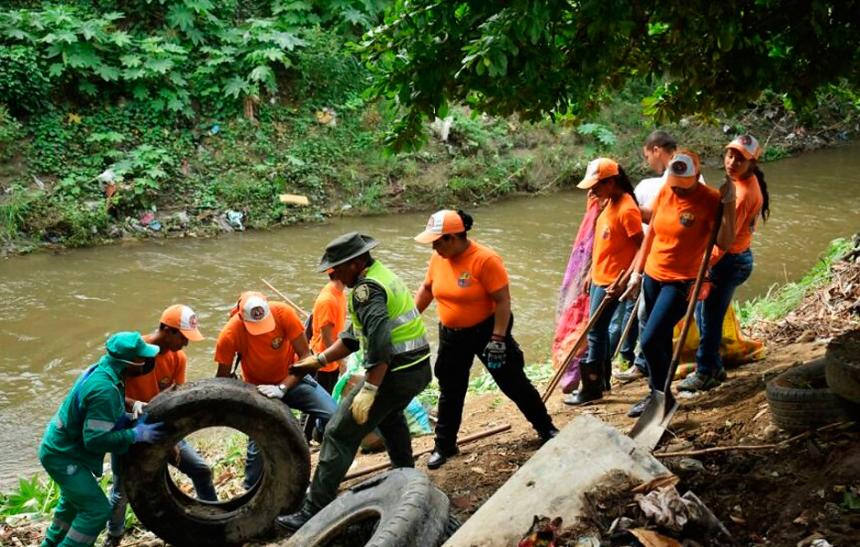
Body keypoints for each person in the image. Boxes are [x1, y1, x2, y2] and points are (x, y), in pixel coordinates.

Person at [275, 232, 432, 532]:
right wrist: (319, 360)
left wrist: (370, 389)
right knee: (390, 417)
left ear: (357, 262)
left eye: (338, 266)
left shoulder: (366, 290)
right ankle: (406, 476)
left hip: (395, 373)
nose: (334, 273)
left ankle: (312, 510)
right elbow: (352, 336)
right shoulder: (380, 275)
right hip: (417, 368)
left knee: (339, 432)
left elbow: (379, 342)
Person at [413, 210, 558, 469]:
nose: (433, 247)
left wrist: (498, 339)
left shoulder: (485, 260)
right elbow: (426, 289)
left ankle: (545, 428)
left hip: (487, 331)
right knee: (451, 390)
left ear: (454, 238)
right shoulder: (438, 258)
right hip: (451, 335)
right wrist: (411, 317)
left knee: (513, 382)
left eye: (437, 242)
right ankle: (445, 445)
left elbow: (503, 301)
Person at [623, 150, 736, 418]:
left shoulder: (711, 200)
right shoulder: (665, 191)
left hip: (682, 281)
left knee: (649, 340)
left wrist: (729, 206)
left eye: (684, 185)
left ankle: (661, 395)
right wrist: (637, 272)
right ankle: (659, 395)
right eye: (675, 184)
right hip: (653, 274)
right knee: (658, 339)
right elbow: (652, 229)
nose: (679, 191)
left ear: (697, 175)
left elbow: (724, 243)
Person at [39, 332, 166, 547]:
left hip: (65, 447)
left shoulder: (106, 374)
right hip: (62, 455)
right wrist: (135, 435)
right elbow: (96, 440)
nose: (146, 362)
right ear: (128, 363)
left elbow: (102, 418)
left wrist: (132, 415)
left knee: (70, 508)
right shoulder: (104, 389)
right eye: (142, 358)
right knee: (96, 511)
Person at [104, 305, 213, 547]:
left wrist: (171, 440)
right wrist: (138, 408)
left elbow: (176, 402)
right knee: (122, 490)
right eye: (183, 337)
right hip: (129, 429)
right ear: (166, 329)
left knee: (200, 470)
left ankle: (217, 520)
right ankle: (113, 536)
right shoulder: (132, 350)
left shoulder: (178, 358)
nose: (186, 343)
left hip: (161, 428)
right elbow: (108, 393)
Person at [214, 291, 336, 490]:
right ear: (241, 317)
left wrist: (282, 387)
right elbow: (221, 381)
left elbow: (306, 357)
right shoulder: (230, 334)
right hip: (258, 390)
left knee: (334, 416)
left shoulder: (283, 314)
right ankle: (251, 493)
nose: (261, 332)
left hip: (294, 379)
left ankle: (325, 474)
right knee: (258, 444)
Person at [680, 135, 769, 392]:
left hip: (728, 260)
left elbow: (726, 241)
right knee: (705, 313)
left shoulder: (741, 194)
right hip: (737, 257)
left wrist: (702, 267)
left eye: (739, 159)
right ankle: (713, 365)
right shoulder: (745, 182)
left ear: (752, 163)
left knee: (709, 317)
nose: (732, 162)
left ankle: (706, 371)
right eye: (730, 155)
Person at [564, 159, 643, 405]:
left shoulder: (627, 209)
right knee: (599, 332)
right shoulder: (608, 202)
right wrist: (589, 273)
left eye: (596, 185)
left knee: (597, 333)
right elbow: (603, 243)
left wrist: (629, 278)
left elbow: (643, 247)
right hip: (599, 277)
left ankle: (592, 389)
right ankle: (603, 381)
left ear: (611, 182)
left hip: (612, 282)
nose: (591, 191)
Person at [613, 130, 678, 383]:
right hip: (654, 263)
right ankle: (653, 377)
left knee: (648, 323)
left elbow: (655, 223)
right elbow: (653, 224)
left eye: (647, 155)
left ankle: (648, 371)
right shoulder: (664, 185)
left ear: (656, 150)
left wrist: (628, 208)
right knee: (648, 319)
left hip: (672, 268)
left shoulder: (674, 179)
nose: (647, 161)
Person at [309, 273, 348, 394]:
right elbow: (327, 340)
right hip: (323, 363)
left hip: (332, 360)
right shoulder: (328, 300)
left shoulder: (339, 293)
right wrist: (341, 362)